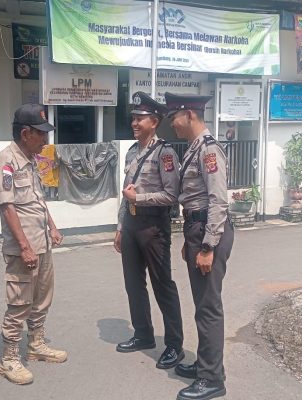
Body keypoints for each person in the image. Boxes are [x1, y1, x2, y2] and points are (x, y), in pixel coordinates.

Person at [165, 92, 234, 400]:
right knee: (202, 305)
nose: (173, 124)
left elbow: (218, 200)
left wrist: (206, 245)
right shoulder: (195, 149)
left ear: (189, 114)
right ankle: (205, 364)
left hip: (209, 231)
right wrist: (190, 241)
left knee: (208, 307)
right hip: (198, 228)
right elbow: (194, 200)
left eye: (174, 117)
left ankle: (212, 379)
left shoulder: (208, 150)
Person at [0, 103, 66, 385]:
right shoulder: (6, 160)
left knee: (42, 298)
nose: (46, 140)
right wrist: (24, 246)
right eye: (41, 134)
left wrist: (52, 225)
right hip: (23, 248)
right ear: (26, 133)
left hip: (42, 243)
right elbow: (8, 206)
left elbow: (37, 199)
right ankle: (9, 359)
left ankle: (35, 345)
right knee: (20, 302)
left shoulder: (31, 159)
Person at [113, 91, 185, 370]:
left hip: (154, 227)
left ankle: (175, 345)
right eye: (133, 117)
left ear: (154, 121)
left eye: (140, 118)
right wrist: (120, 227)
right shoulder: (132, 151)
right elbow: (124, 194)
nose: (134, 122)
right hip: (131, 225)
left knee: (162, 286)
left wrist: (139, 200)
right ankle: (143, 334)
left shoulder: (165, 153)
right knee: (133, 284)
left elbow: (172, 195)